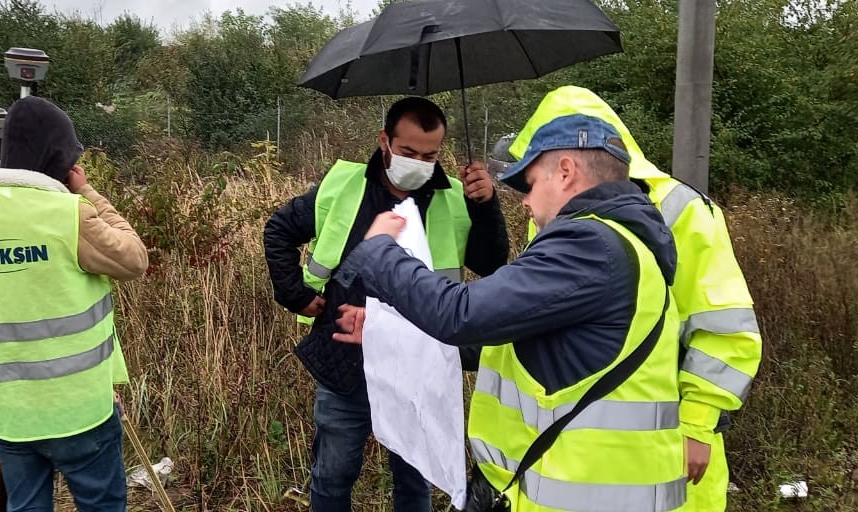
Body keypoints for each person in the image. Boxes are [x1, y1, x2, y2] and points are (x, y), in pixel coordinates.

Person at [333, 114, 689, 511]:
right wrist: (391, 335)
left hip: (579, 492)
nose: (525, 200)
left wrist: (381, 249)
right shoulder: (621, 244)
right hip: (583, 483)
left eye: (531, 184)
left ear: (566, 172)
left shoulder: (589, 245)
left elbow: (460, 314)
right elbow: (511, 344)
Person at [500, 86, 760, 511]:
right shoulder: (559, 211)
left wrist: (697, 423)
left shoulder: (681, 210)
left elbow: (724, 329)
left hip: (665, 437)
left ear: (566, 164)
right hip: (576, 440)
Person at [262, 96, 510, 512]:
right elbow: (279, 230)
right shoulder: (344, 186)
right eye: (408, 152)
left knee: (414, 481)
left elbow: (489, 262)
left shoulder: (454, 197)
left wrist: (485, 207)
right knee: (333, 475)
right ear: (384, 141)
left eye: (429, 156)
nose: (418, 163)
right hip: (345, 361)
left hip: (418, 365)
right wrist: (295, 294)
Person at [0, 96, 148, 512]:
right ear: (60, 159)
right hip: (80, 410)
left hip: (8, 415)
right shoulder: (69, 214)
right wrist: (86, 191)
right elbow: (134, 260)